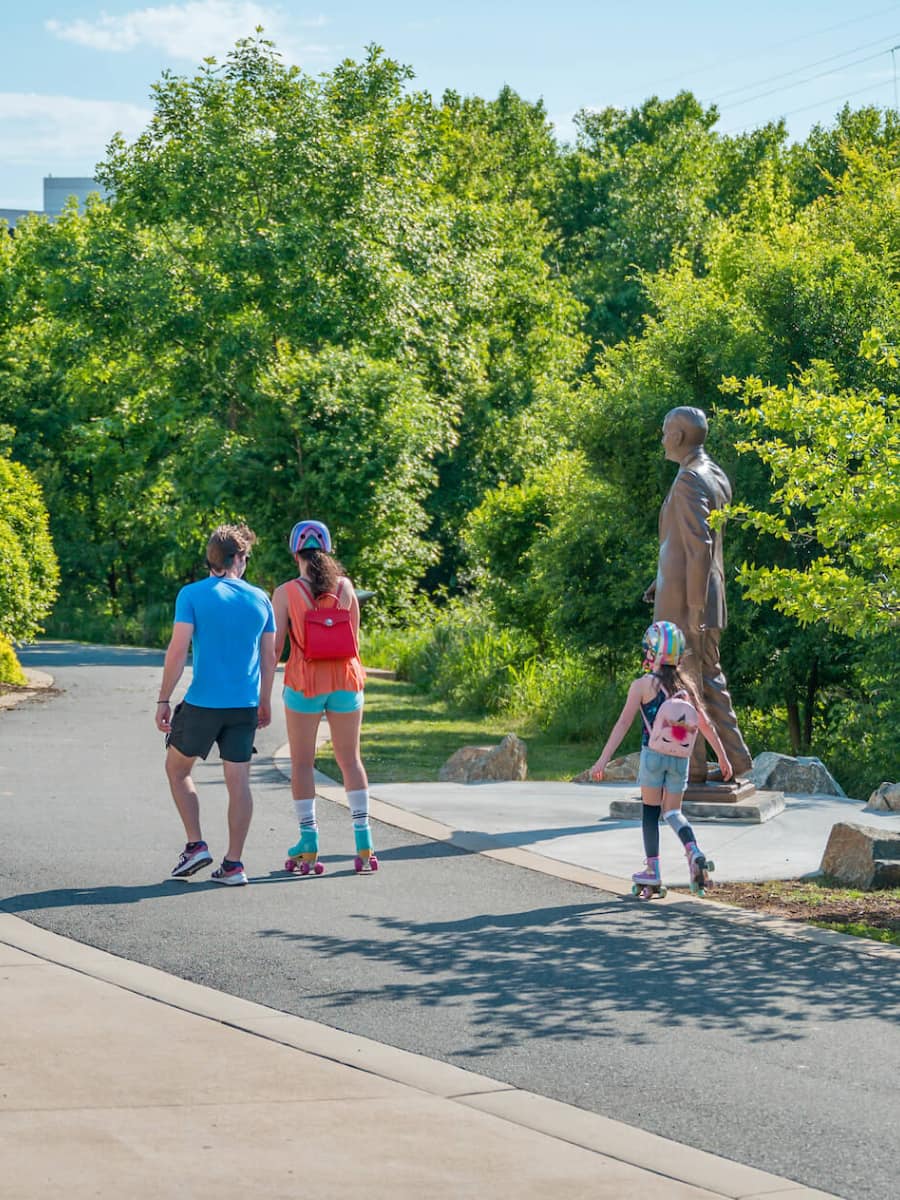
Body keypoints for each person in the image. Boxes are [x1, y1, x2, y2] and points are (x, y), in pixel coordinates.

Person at [156, 524, 275, 886]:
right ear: (237, 558)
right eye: (246, 556)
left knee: (177, 770)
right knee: (239, 782)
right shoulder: (260, 599)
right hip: (245, 706)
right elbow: (269, 656)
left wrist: (164, 699)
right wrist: (265, 701)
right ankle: (234, 865)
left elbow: (178, 651)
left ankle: (196, 845)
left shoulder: (191, 595)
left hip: (203, 704)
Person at [643, 406, 752, 783]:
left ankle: (692, 771)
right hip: (699, 593)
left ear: (678, 437)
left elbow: (699, 547)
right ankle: (735, 762)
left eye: (665, 432)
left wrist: (692, 608)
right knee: (707, 679)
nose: (662, 439)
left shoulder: (690, 478)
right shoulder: (713, 473)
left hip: (689, 604)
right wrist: (661, 579)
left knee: (683, 683)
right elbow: (689, 543)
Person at [589, 621, 732, 894]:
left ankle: (652, 870)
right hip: (680, 759)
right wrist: (722, 757)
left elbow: (623, 724)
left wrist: (603, 760)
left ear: (651, 652)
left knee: (651, 813)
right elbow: (705, 725)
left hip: (653, 756)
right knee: (674, 812)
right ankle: (693, 850)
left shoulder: (642, 686)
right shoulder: (686, 688)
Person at [271, 519, 376, 874]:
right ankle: (364, 841)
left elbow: (276, 649)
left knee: (302, 763)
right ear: (328, 552)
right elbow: (354, 642)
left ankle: (309, 841)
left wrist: (262, 693)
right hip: (346, 681)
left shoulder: (285, 593)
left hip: (304, 683)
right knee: (351, 760)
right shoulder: (346, 588)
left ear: (295, 554)